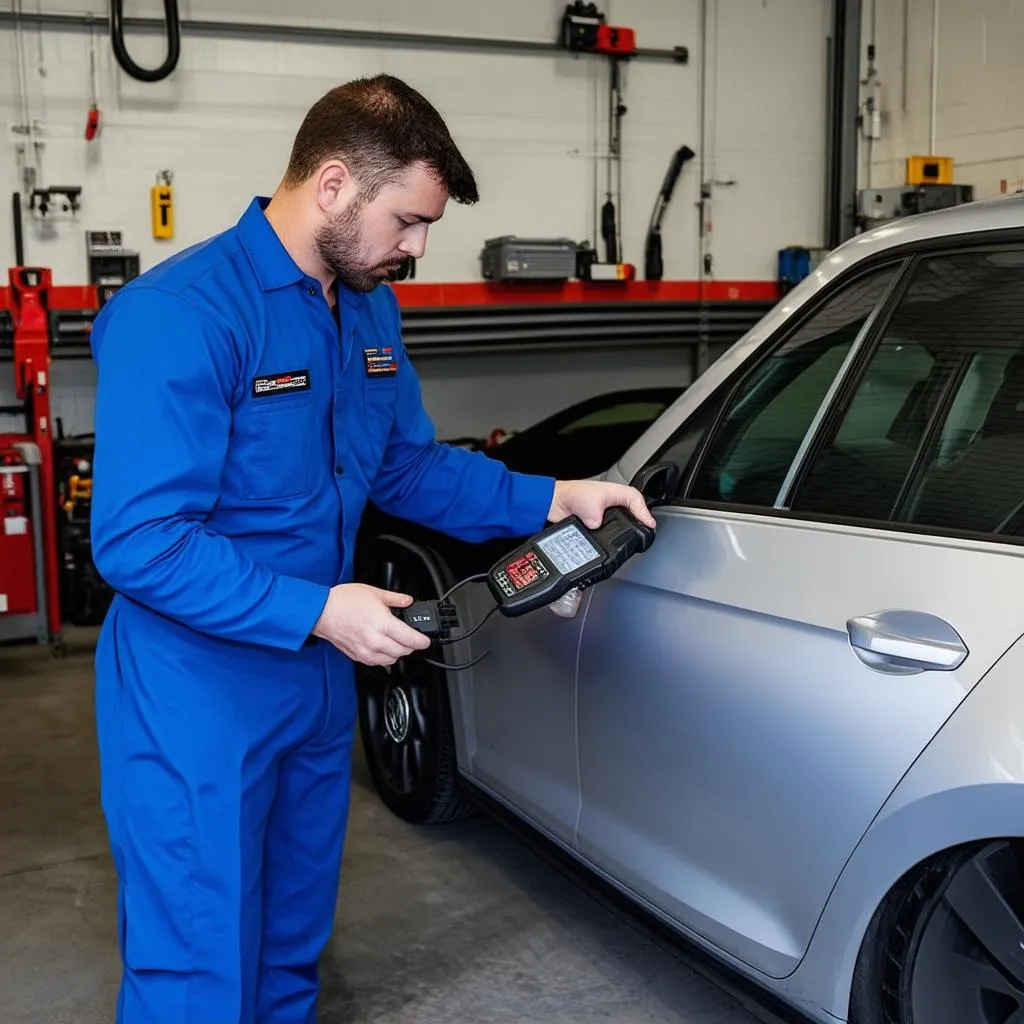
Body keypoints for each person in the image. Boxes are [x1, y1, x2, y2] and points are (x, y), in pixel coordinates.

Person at [88, 73, 656, 1024]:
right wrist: (317, 609)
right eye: (409, 221)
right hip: (196, 689)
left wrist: (553, 496)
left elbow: (406, 468)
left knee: (289, 948)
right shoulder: (181, 314)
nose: (419, 250)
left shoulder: (368, 308)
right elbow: (139, 541)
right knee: (198, 966)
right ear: (337, 183)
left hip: (318, 674)